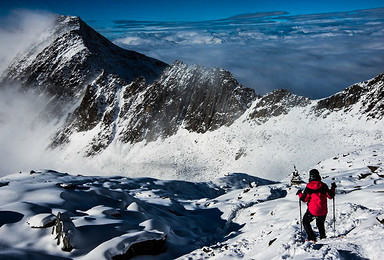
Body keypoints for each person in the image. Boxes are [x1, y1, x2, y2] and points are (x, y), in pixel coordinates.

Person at [296, 169, 336, 242]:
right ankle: (323, 238)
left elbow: (304, 199)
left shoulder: (309, 187)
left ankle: (312, 238)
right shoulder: (323, 185)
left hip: (313, 210)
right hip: (323, 210)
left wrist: (299, 193)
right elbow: (330, 196)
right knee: (320, 224)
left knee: (305, 222)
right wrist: (333, 188)